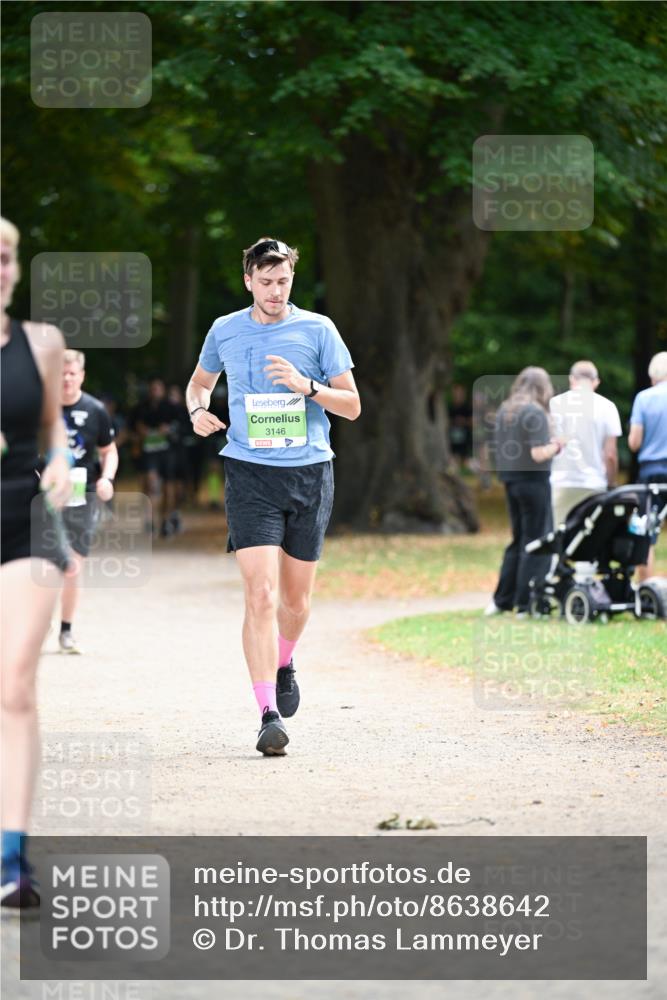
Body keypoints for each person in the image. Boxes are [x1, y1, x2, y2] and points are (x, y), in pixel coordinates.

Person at [186, 237, 360, 755]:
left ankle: (284, 659)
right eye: (266, 282)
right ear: (248, 281)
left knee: (295, 600)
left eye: (283, 281)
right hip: (248, 472)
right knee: (259, 593)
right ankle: (267, 713)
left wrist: (307, 387)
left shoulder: (318, 330)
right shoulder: (225, 330)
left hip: (309, 472)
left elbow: (351, 406)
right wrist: (198, 412)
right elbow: (198, 384)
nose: (275, 291)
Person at [1, 216, 71, 908]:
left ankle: (11, 860)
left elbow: (53, 430)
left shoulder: (41, 344)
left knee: (14, 682)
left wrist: (59, 464)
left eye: (3, 257)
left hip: (23, 527)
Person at [485, 367, 564, 617]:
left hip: (510, 482)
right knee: (536, 542)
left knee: (518, 541)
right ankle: (526, 602)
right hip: (534, 482)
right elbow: (538, 453)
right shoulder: (535, 413)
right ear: (543, 387)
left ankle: (501, 600)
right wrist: (558, 445)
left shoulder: (506, 410)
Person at [59, 350, 119, 653]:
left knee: (72, 565)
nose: (67, 379)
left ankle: (66, 631)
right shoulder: (39, 409)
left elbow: (109, 451)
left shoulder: (95, 410)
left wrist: (106, 478)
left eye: (72, 373)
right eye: (62, 373)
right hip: (42, 496)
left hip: (82, 497)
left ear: (81, 376)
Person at [549, 360, 622, 526]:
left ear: (571, 379)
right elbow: (610, 454)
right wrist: (611, 483)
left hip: (560, 481)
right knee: (591, 539)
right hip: (594, 483)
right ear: (596, 382)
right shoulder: (608, 407)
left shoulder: (554, 404)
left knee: (557, 536)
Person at [628, 351, 667, 581]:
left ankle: (646, 589)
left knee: (646, 531)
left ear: (653, 375)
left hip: (651, 472)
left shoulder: (644, 398)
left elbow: (634, 443)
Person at [132, 378, 179, 538]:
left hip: (168, 452)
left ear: (163, 390)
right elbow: (132, 426)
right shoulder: (141, 407)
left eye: (158, 388)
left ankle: (165, 520)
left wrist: (168, 429)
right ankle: (149, 521)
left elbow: (182, 425)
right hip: (149, 452)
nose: (155, 391)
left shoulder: (172, 407)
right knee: (151, 483)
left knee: (167, 487)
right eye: (152, 388)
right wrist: (140, 431)